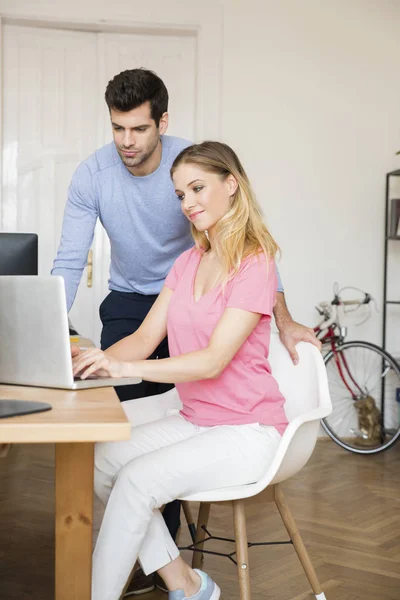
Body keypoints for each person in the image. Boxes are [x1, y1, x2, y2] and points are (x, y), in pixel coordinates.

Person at [53, 69, 320, 595]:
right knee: (104, 459)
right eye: (180, 194)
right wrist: (95, 357)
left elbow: (212, 361)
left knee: (136, 481)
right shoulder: (187, 262)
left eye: (197, 189)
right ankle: (186, 582)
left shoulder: (254, 263)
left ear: (230, 185)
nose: (187, 204)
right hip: (193, 406)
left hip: (248, 429)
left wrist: (284, 319)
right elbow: (142, 336)